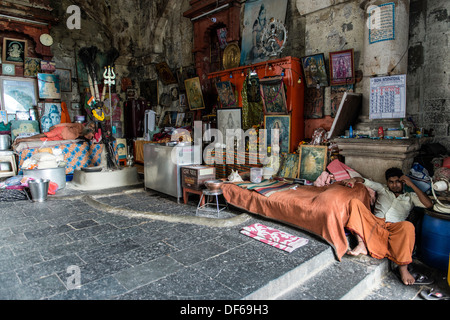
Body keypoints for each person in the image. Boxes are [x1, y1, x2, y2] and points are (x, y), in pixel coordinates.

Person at [341, 167, 433, 286]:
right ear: (387, 182)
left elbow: (429, 204)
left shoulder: (410, 197)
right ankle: (361, 244)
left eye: (397, 181)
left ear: (402, 182)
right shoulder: (382, 189)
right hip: (374, 223)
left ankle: (403, 269)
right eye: (391, 182)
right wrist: (353, 179)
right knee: (355, 203)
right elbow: (363, 180)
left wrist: (412, 184)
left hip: (394, 229)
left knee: (408, 226)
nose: (394, 185)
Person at [14, 122, 95, 144]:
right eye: (89, 136)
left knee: (43, 139)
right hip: (61, 130)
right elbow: (66, 124)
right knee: (47, 134)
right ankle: (23, 138)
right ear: (87, 131)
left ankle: (21, 140)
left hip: (61, 138)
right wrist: (55, 126)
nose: (89, 138)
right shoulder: (79, 126)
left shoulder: (81, 137)